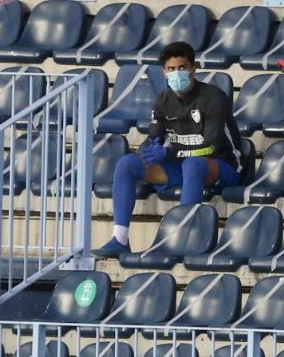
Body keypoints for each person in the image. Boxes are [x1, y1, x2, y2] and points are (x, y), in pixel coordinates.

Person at [94, 42, 243, 257]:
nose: (177, 73)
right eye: (171, 69)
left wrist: (169, 154)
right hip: (181, 164)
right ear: (164, 72)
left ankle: (184, 238)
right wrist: (149, 147)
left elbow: (211, 146)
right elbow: (154, 136)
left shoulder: (213, 97)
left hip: (221, 165)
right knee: (127, 163)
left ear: (193, 68)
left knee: (193, 164)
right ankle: (120, 238)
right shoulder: (163, 100)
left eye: (182, 67)